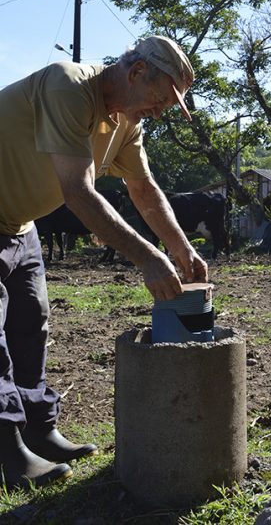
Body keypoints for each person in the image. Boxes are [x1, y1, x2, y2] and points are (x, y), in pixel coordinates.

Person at [0, 35, 208, 488]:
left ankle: (39, 429)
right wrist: (147, 258)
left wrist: (181, 247)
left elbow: (145, 189)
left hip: (19, 225)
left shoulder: (126, 121)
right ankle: (7, 451)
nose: (161, 109)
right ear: (135, 73)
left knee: (30, 323)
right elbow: (78, 191)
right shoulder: (67, 87)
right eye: (160, 97)